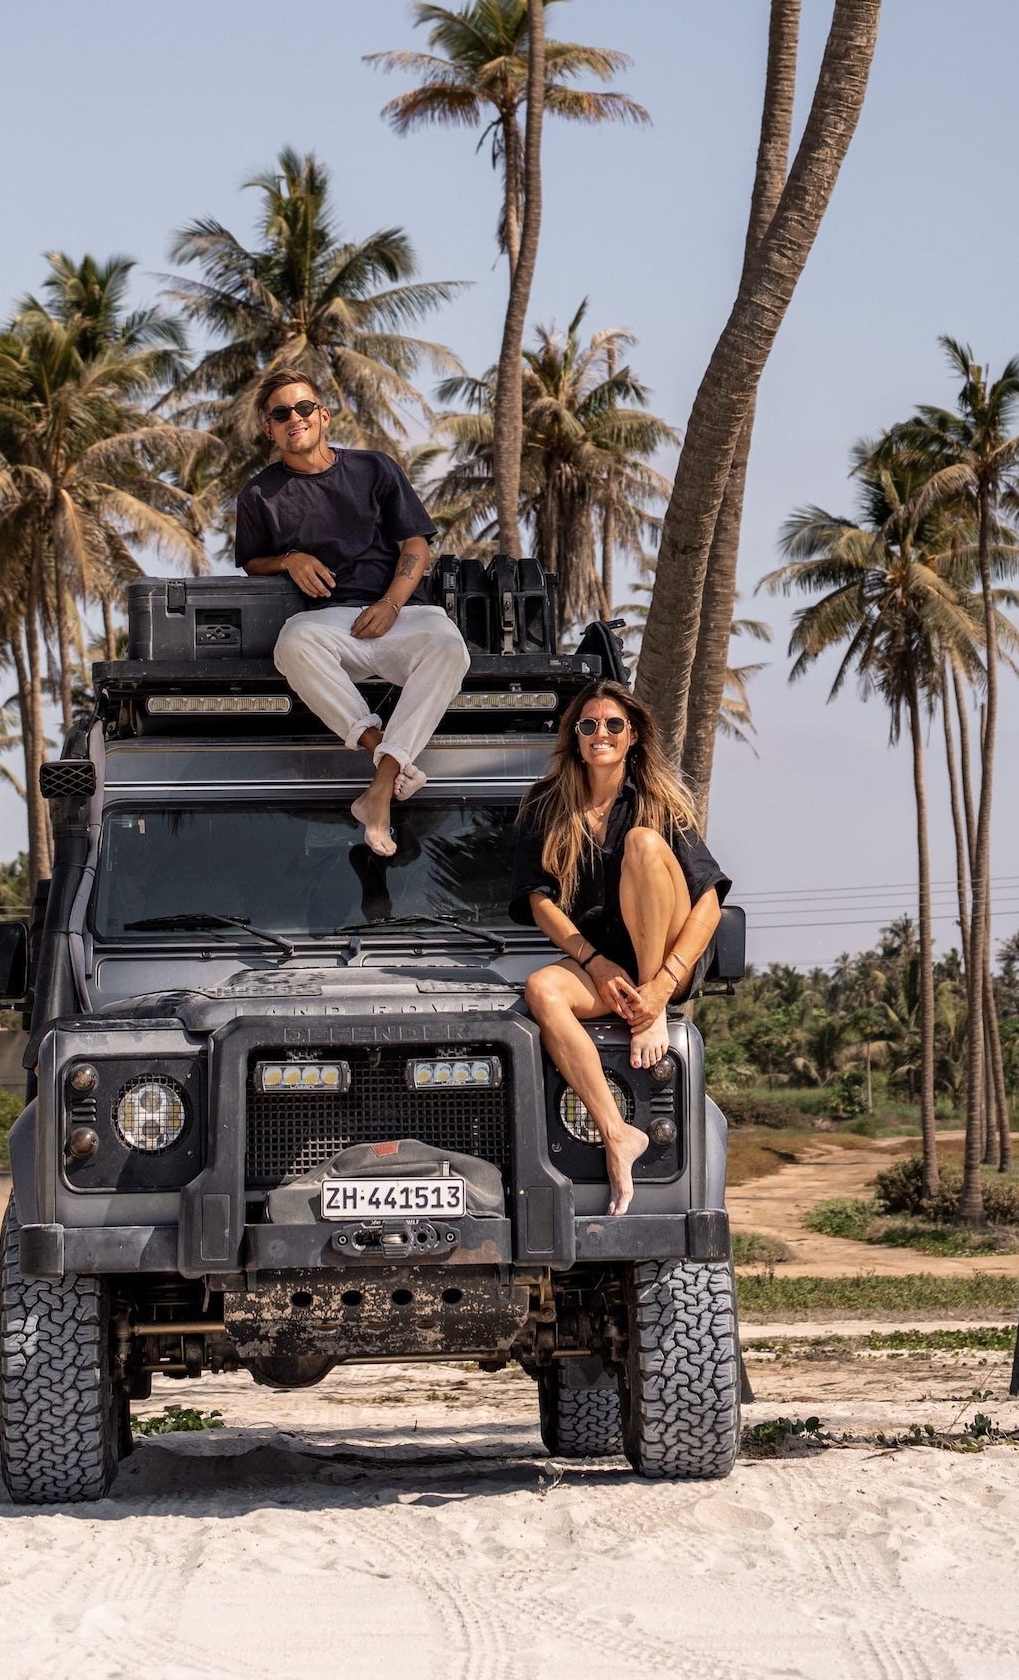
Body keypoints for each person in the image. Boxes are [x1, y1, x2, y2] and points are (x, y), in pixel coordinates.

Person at [235, 367, 470, 857]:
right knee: (293, 642)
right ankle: (388, 765)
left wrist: (390, 603)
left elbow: (416, 545)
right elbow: (253, 562)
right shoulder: (258, 495)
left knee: (449, 647)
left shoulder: (374, 469)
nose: (293, 418)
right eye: (280, 414)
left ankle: (380, 789)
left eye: (303, 408)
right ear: (269, 429)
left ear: (323, 414)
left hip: (399, 612)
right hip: (331, 621)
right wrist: (289, 559)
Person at [512, 679, 726, 1212]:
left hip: (661, 966)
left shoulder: (656, 801)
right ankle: (615, 1131)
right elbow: (539, 902)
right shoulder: (546, 804)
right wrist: (592, 959)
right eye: (589, 725)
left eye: (613, 725)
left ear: (632, 735)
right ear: (576, 737)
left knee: (643, 843)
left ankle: (648, 1012)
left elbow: (710, 902)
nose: (600, 733)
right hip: (600, 961)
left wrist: (660, 989)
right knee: (541, 988)